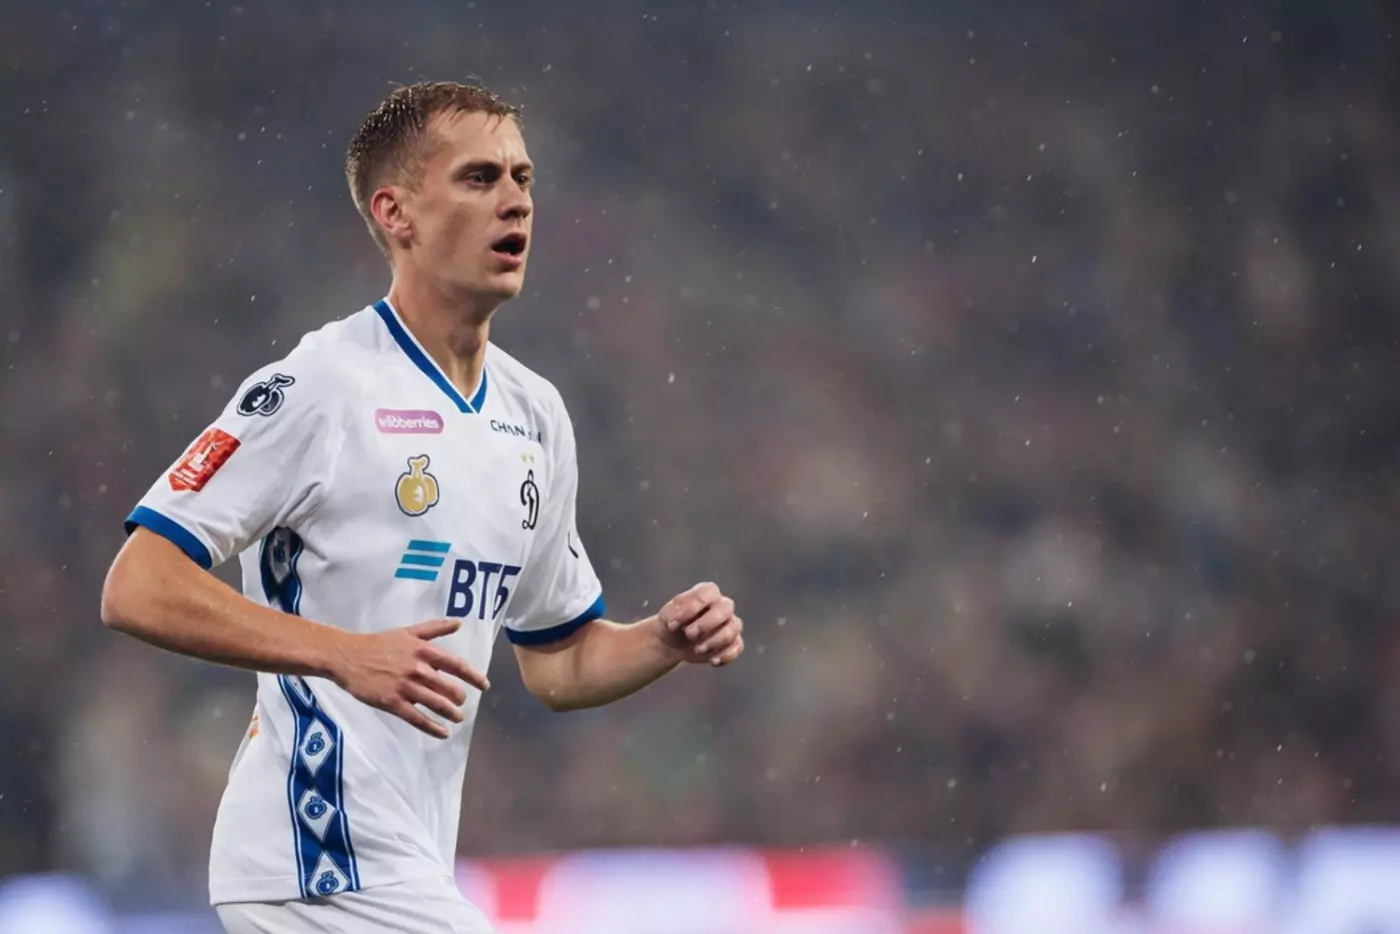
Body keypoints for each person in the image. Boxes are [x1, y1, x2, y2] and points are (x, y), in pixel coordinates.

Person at [99, 80, 745, 934]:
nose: (516, 200)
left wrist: (661, 640)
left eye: (523, 177)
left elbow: (557, 660)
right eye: (480, 178)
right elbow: (137, 584)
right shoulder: (321, 385)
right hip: (316, 853)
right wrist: (344, 655)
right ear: (395, 212)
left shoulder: (534, 415)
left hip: (403, 861)